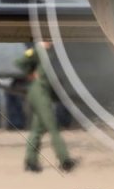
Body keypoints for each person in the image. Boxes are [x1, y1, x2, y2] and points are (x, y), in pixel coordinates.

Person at [17, 43, 75, 173]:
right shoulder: (37, 50)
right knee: (52, 127)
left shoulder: (53, 52)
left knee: (37, 129)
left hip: (45, 93)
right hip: (39, 92)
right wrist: (30, 73)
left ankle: (31, 161)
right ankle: (64, 160)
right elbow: (19, 62)